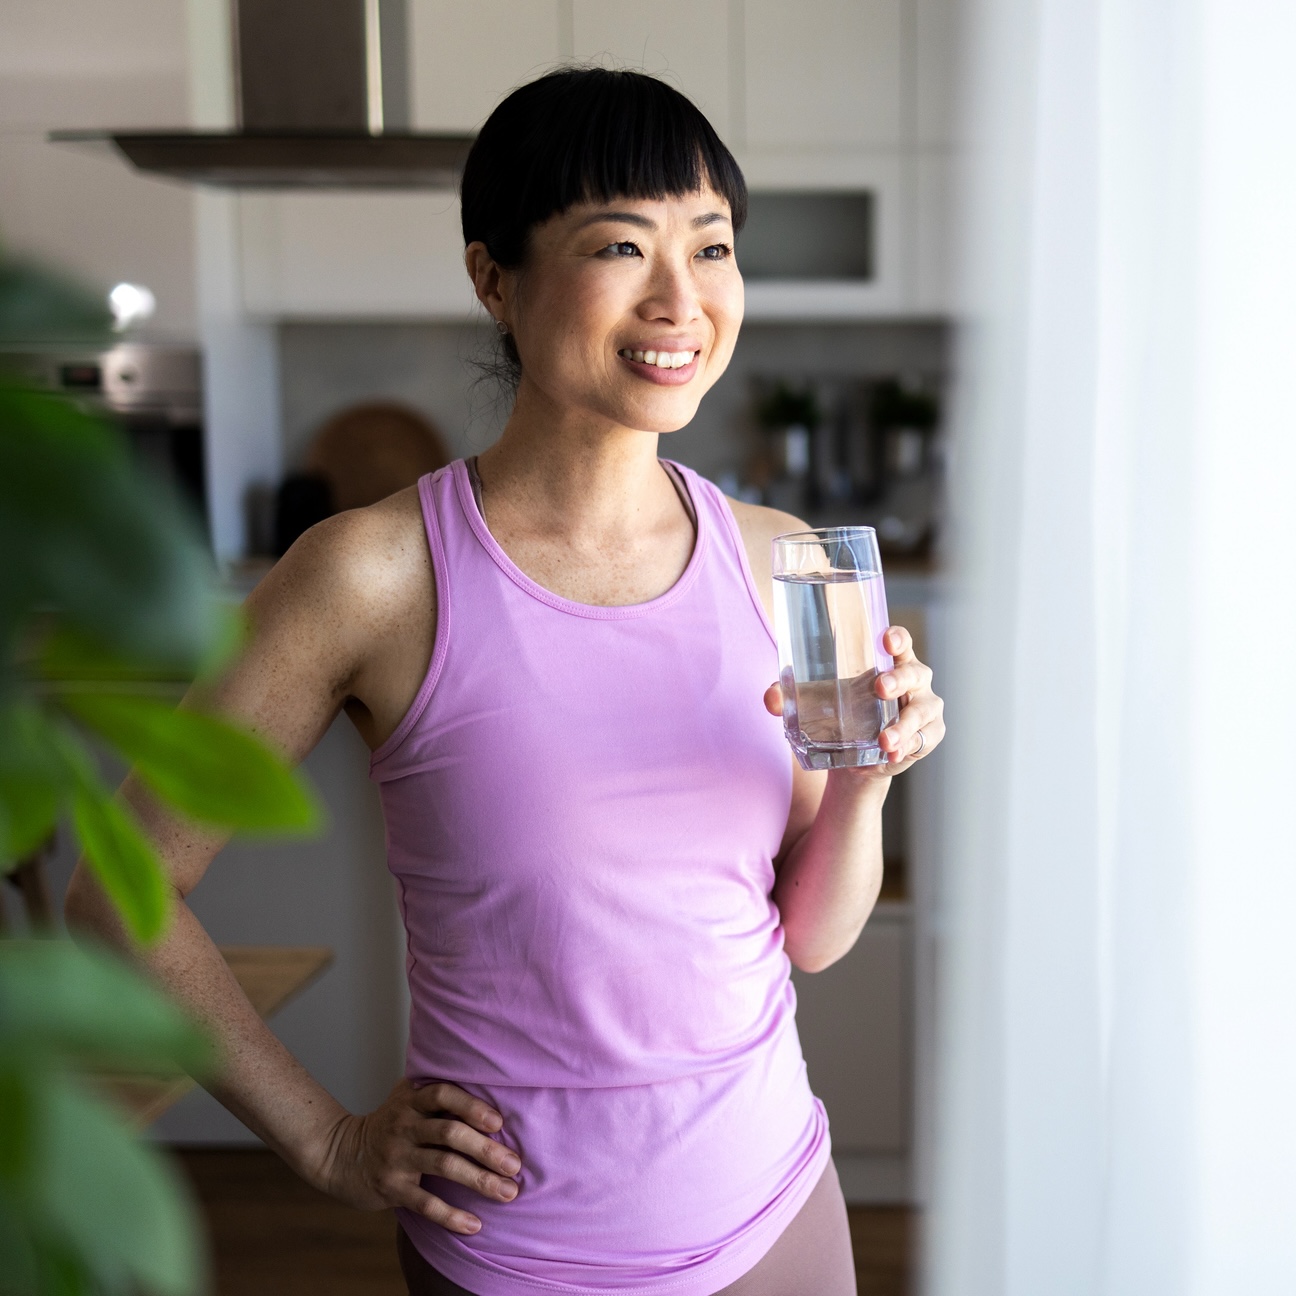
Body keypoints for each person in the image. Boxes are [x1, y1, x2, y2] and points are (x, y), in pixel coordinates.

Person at [67, 68, 945, 1296]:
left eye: (714, 245)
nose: (681, 298)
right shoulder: (373, 576)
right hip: (522, 1255)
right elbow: (119, 887)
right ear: (494, 277)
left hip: (779, 1214)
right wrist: (324, 1140)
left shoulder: (782, 558)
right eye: (622, 246)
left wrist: (868, 783)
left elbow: (813, 937)